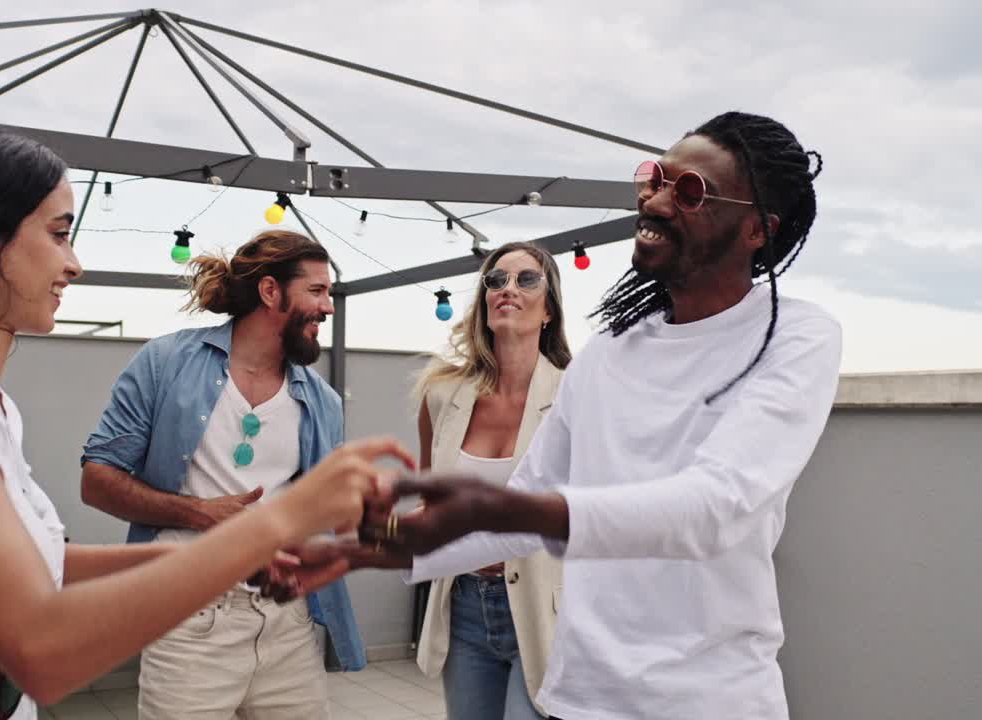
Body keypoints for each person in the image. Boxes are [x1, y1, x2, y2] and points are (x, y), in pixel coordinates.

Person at [0, 121, 407, 720]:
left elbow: (43, 565)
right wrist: (275, 522)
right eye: (59, 233)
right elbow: (40, 652)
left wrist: (249, 547)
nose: (74, 264)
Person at [350, 111, 841, 720]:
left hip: (711, 703)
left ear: (756, 230)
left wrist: (505, 505)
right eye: (655, 177)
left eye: (690, 191)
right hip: (579, 700)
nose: (657, 200)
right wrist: (370, 551)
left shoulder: (794, 336)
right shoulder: (610, 351)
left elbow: (717, 505)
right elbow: (524, 512)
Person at [80, 230, 367, 720]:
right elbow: (96, 479)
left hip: (288, 623)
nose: (329, 307)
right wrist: (197, 513)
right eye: (317, 291)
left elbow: (320, 510)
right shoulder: (166, 362)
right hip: (189, 618)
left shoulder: (323, 401)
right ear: (270, 291)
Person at [412, 241, 569, 720]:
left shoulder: (575, 395)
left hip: (548, 611)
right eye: (496, 280)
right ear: (484, 301)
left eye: (526, 280)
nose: (508, 289)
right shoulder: (442, 395)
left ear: (548, 309)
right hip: (464, 609)